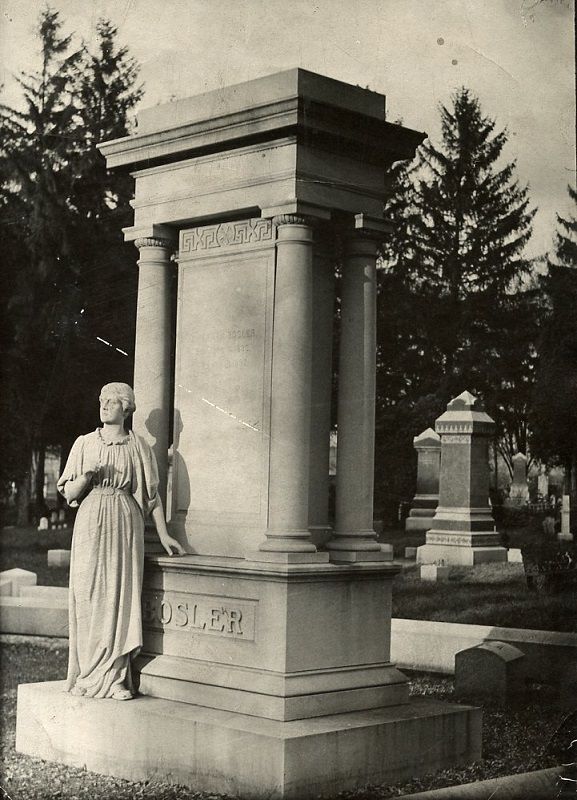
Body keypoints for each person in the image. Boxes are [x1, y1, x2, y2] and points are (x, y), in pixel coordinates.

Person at [57, 382, 185, 700]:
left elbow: (151, 497)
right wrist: (86, 476)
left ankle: (115, 677)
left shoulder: (137, 446)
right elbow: (69, 493)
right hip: (90, 519)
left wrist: (165, 533)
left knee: (118, 595)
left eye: (112, 401)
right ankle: (88, 673)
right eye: (102, 400)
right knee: (89, 594)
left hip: (125, 521)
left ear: (126, 408)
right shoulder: (84, 443)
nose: (104, 405)